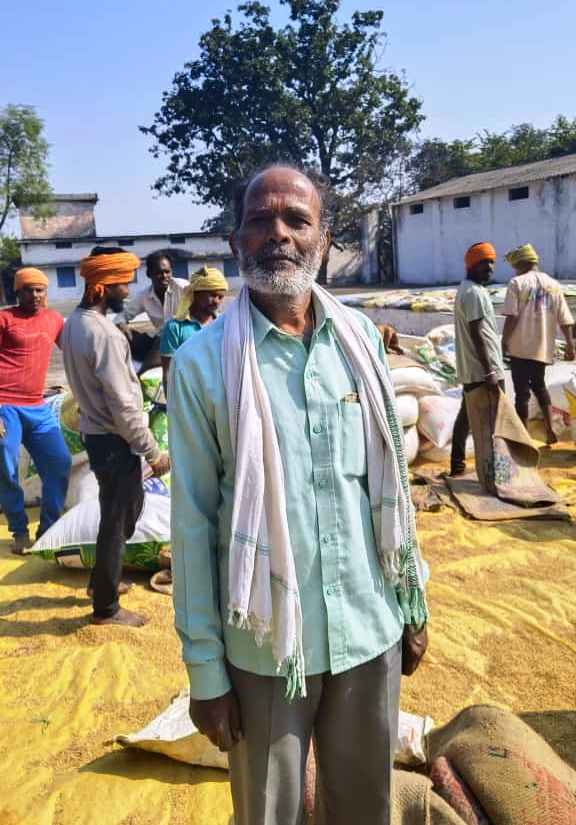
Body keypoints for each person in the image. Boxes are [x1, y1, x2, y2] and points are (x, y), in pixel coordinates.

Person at [169, 165, 428, 825]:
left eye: (296, 220)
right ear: (237, 240)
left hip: (368, 629)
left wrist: (413, 600)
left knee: (366, 808)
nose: (277, 233)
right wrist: (205, 671)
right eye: (260, 220)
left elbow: (391, 483)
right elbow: (192, 523)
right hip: (265, 648)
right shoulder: (202, 364)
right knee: (268, 813)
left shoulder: (360, 341)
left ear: (324, 237)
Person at [61, 247, 170, 627]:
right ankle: (106, 608)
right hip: (114, 439)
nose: (128, 289)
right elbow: (124, 406)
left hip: (96, 435)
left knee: (120, 512)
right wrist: (153, 452)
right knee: (118, 517)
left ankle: (100, 582)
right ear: (102, 286)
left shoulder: (73, 324)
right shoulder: (104, 334)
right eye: (122, 283)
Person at [0, 268, 71, 553]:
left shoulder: (54, 320)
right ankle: (19, 530)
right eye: (28, 290)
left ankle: (48, 528)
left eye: (39, 290)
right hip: (5, 406)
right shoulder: (5, 319)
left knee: (59, 463)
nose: (35, 295)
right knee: (6, 468)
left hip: (38, 407)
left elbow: (74, 350)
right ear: (17, 292)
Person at [502, 243, 574, 444]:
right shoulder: (553, 284)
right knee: (540, 387)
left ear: (520, 263)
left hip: (519, 347)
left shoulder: (516, 283)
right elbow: (565, 319)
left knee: (521, 393)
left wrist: (504, 340)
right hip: (542, 348)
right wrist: (570, 345)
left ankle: (524, 436)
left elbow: (512, 316)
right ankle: (550, 432)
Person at [450, 242, 505, 477]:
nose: (490, 267)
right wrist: (490, 371)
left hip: (478, 369)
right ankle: (496, 471)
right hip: (483, 371)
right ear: (472, 265)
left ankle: (458, 466)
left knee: (466, 418)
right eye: (484, 263)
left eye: (492, 262)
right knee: (495, 422)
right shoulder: (472, 293)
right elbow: (477, 334)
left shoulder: (473, 289)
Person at [160, 266, 229, 396]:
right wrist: (172, 402)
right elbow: (168, 372)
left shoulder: (224, 325)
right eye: (212, 295)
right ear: (195, 294)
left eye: (220, 297)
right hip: (189, 397)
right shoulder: (175, 328)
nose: (216, 301)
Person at [115, 251, 188, 373]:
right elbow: (122, 316)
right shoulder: (144, 296)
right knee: (122, 336)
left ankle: (143, 373)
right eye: (159, 273)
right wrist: (122, 324)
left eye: (167, 272)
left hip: (185, 338)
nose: (164, 276)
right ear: (149, 274)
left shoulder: (183, 287)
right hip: (160, 339)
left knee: (165, 337)